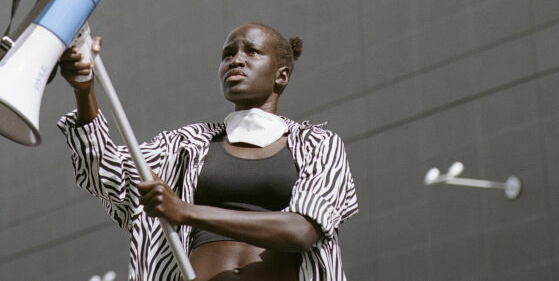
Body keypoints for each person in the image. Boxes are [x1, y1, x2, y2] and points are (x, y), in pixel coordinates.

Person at [57, 22, 358, 281]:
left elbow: (301, 231)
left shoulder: (317, 144)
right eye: (228, 54)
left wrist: (185, 211)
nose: (235, 60)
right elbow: (104, 172)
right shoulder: (185, 145)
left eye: (251, 51)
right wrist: (84, 90)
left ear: (281, 75)